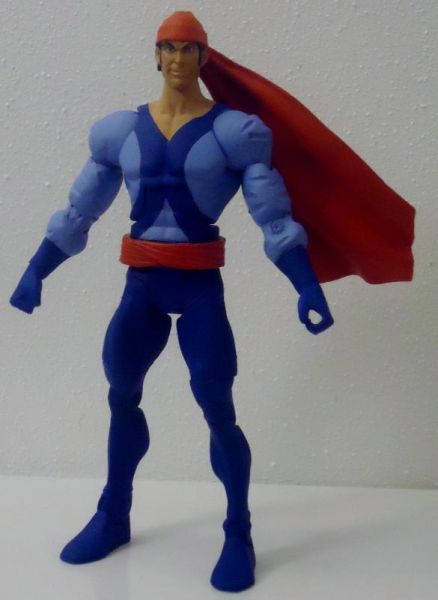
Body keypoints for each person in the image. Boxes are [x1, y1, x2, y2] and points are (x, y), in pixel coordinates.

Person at [9, 10, 414, 593]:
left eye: (188, 48)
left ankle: (238, 530)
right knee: (121, 394)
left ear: (204, 57)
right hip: (142, 284)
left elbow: (273, 218)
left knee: (217, 407)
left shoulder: (233, 133)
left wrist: (305, 284)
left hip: (199, 287)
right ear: (155, 55)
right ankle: (113, 513)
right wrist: (36, 270)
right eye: (168, 48)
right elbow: (80, 212)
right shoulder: (119, 132)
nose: (177, 59)